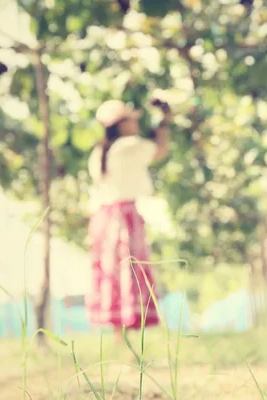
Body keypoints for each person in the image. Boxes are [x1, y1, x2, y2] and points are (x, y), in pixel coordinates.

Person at [86, 99, 171, 342]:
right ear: (120, 125)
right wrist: (165, 120)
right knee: (129, 270)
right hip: (122, 218)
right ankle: (127, 335)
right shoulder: (129, 147)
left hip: (104, 218)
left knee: (113, 272)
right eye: (131, 119)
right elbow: (159, 150)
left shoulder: (99, 152)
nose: (136, 123)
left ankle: (118, 335)